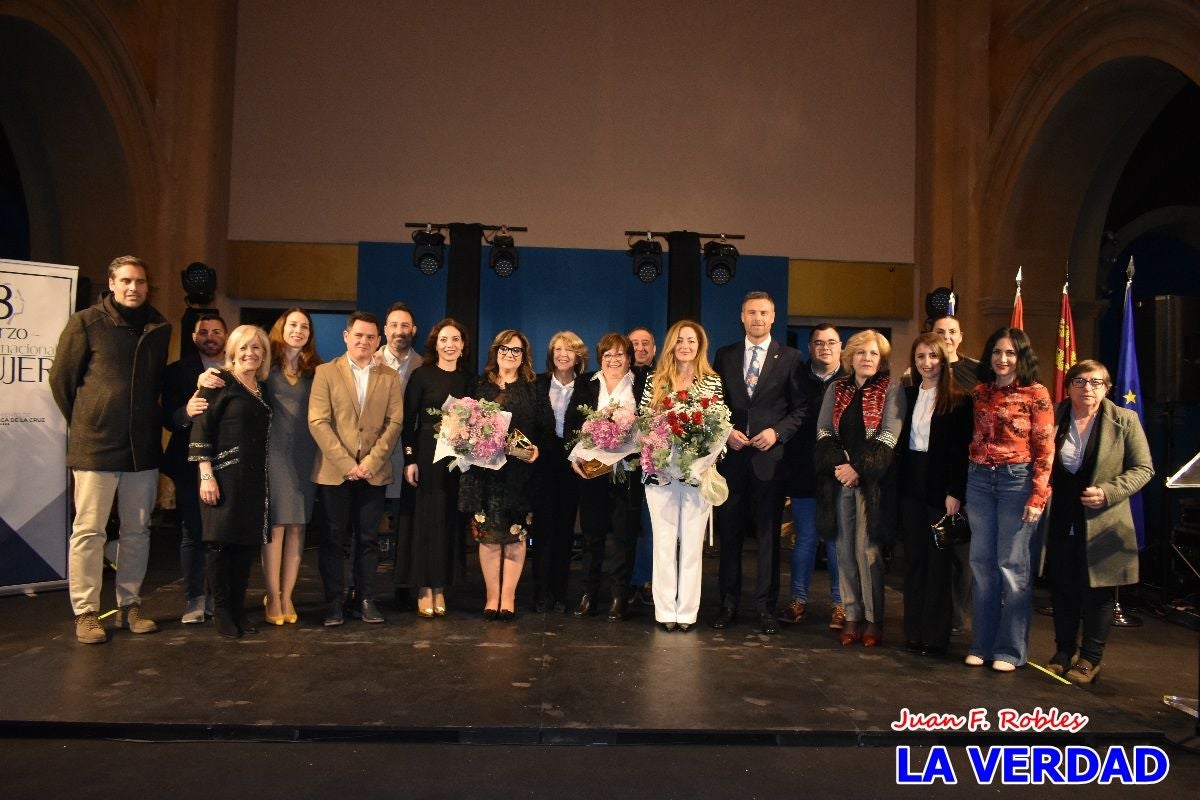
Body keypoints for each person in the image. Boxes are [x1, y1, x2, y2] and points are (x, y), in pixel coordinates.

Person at [49, 255, 171, 644]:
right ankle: (86, 612)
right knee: (88, 531)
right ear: (112, 283)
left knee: (137, 531)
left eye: (140, 281)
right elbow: (61, 381)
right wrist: (91, 420)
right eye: (126, 281)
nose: (133, 288)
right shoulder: (86, 322)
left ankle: (129, 605)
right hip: (96, 447)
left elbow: (154, 388)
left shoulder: (159, 327)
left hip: (143, 451)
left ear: (147, 285)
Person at [1042, 360, 1152, 684]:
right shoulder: (1055, 415)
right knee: (1062, 586)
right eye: (1079, 381)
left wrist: (1108, 492)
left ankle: (1090, 658)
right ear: (1069, 386)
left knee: (1099, 592)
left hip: (1104, 520)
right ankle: (1063, 651)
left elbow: (1144, 469)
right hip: (1061, 516)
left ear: (1106, 388)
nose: (1087, 388)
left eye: (1095, 382)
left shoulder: (1124, 420)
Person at [711, 292, 805, 634]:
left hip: (770, 461)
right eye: (751, 312)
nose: (757, 318)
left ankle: (765, 608)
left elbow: (801, 409)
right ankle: (728, 604)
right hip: (733, 460)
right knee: (730, 536)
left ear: (773, 316)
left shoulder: (792, 358)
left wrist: (777, 433)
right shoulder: (725, 355)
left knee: (768, 538)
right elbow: (713, 403)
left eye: (764, 312)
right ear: (741, 316)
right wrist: (726, 432)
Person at [963, 327, 1054, 672]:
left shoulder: (1037, 394)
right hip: (979, 480)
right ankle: (982, 644)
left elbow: (1045, 450)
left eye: (1011, 353)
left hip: (1018, 483)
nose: (1003, 359)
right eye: (997, 352)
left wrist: (1038, 496)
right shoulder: (980, 392)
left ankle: (1010, 650)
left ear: (1022, 358)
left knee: (1013, 568)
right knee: (983, 567)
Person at [308, 311, 404, 627]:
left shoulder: (389, 376)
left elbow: (394, 423)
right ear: (346, 336)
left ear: (379, 340)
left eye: (370, 337)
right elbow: (318, 422)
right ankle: (334, 602)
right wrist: (348, 464)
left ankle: (366, 598)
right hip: (336, 472)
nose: (364, 341)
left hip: (373, 473)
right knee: (333, 540)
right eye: (358, 335)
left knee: (368, 540)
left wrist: (369, 464)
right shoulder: (325, 372)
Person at [814, 329, 904, 648]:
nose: (867, 358)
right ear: (850, 357)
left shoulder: (892, 388)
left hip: (872, 484)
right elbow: (824, 430)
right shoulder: (836, 388)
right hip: (841, 480)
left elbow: (888, 437)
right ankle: (851, 615)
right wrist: (841, 466)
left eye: (873, 354)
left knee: (867, 552)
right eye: (861, 353)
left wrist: (858, 469)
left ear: (881, 360)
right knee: (844, 550)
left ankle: (872, 619)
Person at [639, 320, 726, 632]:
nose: (686, 346)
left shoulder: (712, 381)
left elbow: (719, 428)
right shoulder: (655, 380)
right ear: (671, 346)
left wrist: (703, 461)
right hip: (659, 474)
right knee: (663, 544)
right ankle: (665, 612)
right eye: (680, 340)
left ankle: (687, 613)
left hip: (697, 475)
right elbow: (644, 423)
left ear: (700, 345)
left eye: (692, 340)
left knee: (691, 546)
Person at [460, 329, 553, 621]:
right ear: (495, 351)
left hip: (519, 475)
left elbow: (547, 427)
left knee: (515, 536)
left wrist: (537, 449)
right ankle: (491, 597)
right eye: (504, 348)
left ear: (523, 356)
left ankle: (508, 597)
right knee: (488, 537)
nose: (509, 354)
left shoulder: (533, 388)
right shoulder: (479, 385)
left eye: (516, 350)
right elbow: (464, 425)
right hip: (484, 475)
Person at [190, 325, 272, 638]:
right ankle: (222, 612)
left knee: (243, 548)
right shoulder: (218, 381)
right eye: (244, 348)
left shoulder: (261, 388)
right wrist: (206, 475)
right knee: (219, 545)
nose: (250, 353)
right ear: (233, 351)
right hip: (221, 477)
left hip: (252, 481)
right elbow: (201, 429)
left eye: (257, 348)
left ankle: (238, 609)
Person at [898, 333, 972, 656]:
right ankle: (913, 632)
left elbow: (961, 451)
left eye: (932, 357)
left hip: (941, 488)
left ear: (943, 359)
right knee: (913, 561)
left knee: (938, 564)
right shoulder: (908, 394)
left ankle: (935, 636)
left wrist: (955, 491)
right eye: (920, 357)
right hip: (911, 484)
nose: (926, 363)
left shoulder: (959, 399)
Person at [567, 333, 648, 621]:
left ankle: (618, 596)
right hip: (592, 470)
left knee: (624, 537)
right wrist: (574, 455)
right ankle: (589, 594)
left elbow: (649, 424)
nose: (613, 360)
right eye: (608, 355)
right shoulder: (586, 382)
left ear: (629, 358)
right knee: (591, 535)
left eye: (620, 355)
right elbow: (572, 423)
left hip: (627, 470)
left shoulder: (641, 384)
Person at [401, 319, 472, 617]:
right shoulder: (421, 376)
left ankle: (441, 586)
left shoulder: (468, 380)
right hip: (426, 458)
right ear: (435, 343)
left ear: (463, 345)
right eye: (444, 339)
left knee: (447, 523)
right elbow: (408, 421)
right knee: (425, 522)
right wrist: (410, 459)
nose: (450, 345)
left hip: (455, 461)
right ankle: (423, 587)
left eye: (455, 339)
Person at [162, 313, 227, 624]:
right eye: (204, 332)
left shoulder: (238, 370)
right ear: (194, 337)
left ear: (226, 336)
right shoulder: (177, 371)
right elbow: (166, 418)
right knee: (193, 531)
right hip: (188, 464)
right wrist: (185, 413)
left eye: (216, 331)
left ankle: (218, 595)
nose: (210, 337)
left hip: (229, 462)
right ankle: (194, 598)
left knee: (221, 534)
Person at [781, 324, 846, 629]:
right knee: (805, 539)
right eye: (818, 343)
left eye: (831, 342)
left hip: (840, 473)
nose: (825, 348)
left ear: (841, 346)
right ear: (809, 347)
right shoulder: (795, 378)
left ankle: (839, 604)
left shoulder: (851, 380)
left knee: (835, 541)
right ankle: (798, 601)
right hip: (803, 471)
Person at [262, 308, 322, 625]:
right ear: (281, 328)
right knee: (277, 526)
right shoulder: (264, 365)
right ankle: (272, 596)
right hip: (273, 452)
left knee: (298, 525)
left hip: (306, 453)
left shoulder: (317, 370)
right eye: (293, 325)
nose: (298, 330)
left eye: (304, 327)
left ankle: (288, 595)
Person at [930, 313, 980, 637]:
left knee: (962, 552)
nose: (946, 336)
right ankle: (937, 612)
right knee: (935, 551)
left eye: (952, 332)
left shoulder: (975, 369)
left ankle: (959, 617)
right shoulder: (920, 368)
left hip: (967, 472)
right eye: (939, 332)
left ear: (960, 337)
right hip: (931, 473)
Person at [533, 331, 586, 614]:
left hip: (572, 466)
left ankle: (560, 592)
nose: (563, 354)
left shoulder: (587, 387)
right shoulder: (537, 383)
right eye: (558, 349)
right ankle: (540, 592)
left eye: (569, 349)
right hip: (542, 465)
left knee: (565, 530)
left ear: (579, 356)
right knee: (542, 530)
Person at [627, 326, 657, 606]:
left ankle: (647, 581)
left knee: (651, 526)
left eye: (645, 343)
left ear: (654, 348)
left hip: (654, 464)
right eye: (634, 343)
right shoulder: (619, 378)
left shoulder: (662, 377)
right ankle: (628, 581)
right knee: (627, 526)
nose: (640, 348)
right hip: (623, 464)